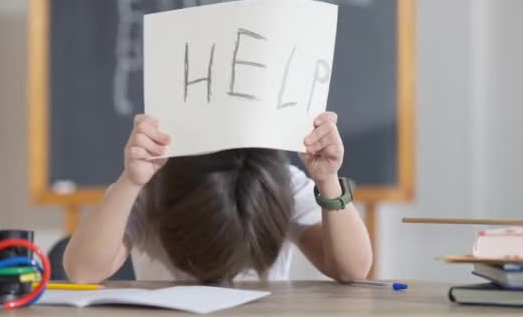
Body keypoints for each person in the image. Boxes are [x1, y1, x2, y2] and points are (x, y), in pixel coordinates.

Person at [63, 112, 372, 283]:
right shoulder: (150, 188)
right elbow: (83, 270)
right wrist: (131, 181)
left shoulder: (281, 183)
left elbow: (353, 269)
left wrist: (327, 180)